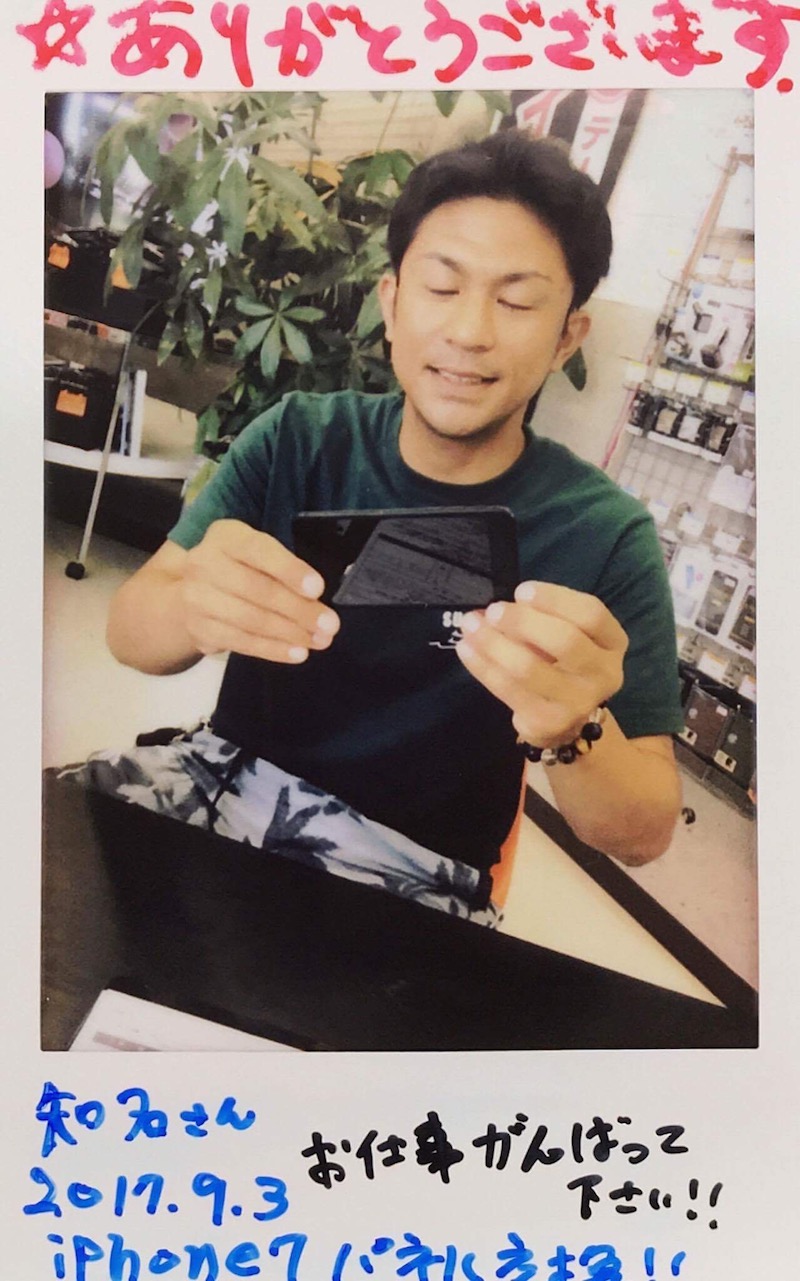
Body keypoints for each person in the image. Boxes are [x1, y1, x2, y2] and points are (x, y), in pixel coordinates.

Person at [63, 128, 683, 924]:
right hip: (221, 788)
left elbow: (643, 832)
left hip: (416, 875)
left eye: (517, 300)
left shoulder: (604, 533)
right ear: (391, 303)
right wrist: (191, 605)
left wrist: (574, 727)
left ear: (568, 335)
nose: (469, 331)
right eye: (442, 286)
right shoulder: (299, 438)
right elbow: (130, 635)